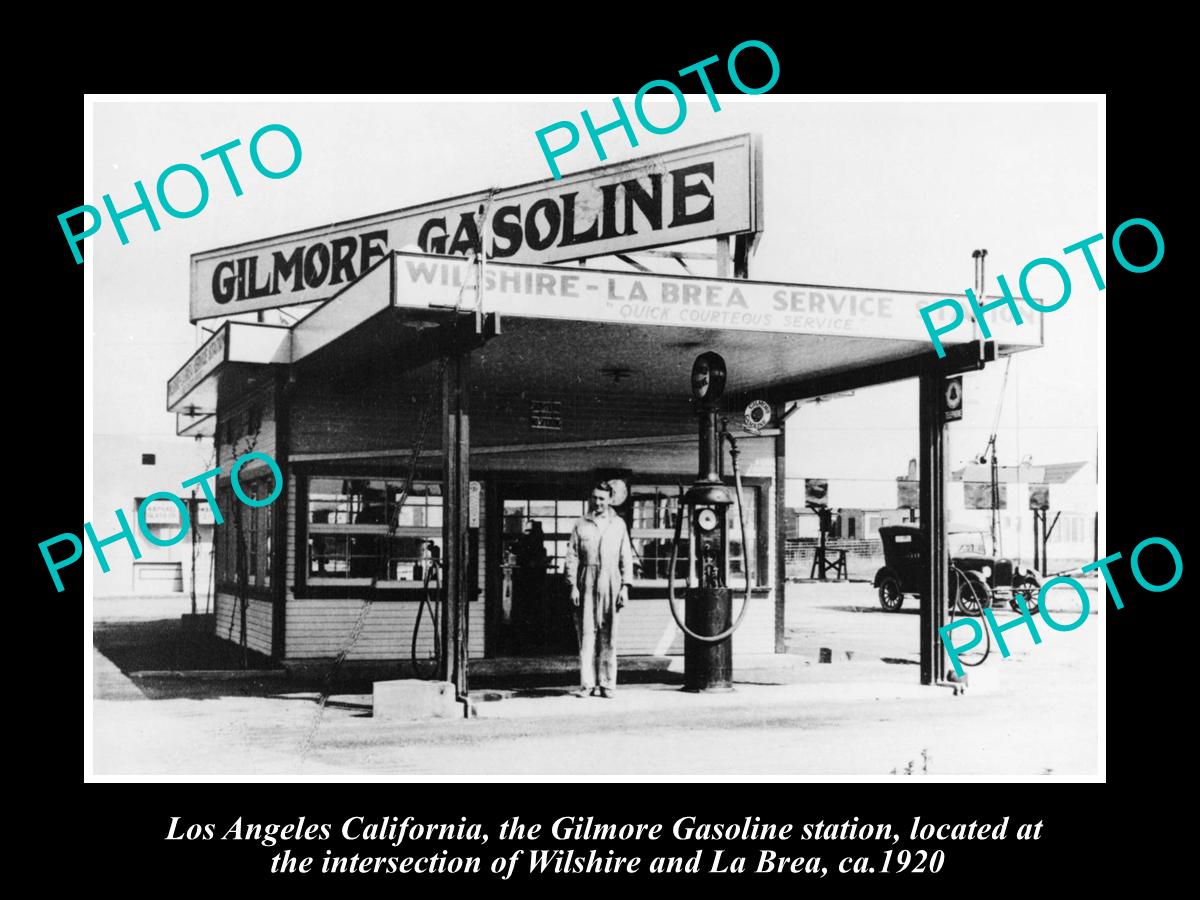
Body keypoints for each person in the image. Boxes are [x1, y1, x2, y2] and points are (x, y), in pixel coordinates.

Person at [565, 480, 633, 698]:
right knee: (586, 635)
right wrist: (573, 585)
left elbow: (626, 557)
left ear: (610, 500)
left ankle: (607, 684)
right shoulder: (581, 524)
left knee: (609, 636)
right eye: (594, 498)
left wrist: (625, 587)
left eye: (602, 498)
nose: (597, 502)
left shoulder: (618, 524)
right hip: (586, 581)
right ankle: (587, 685)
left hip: (611, 580)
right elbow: (572, 556)